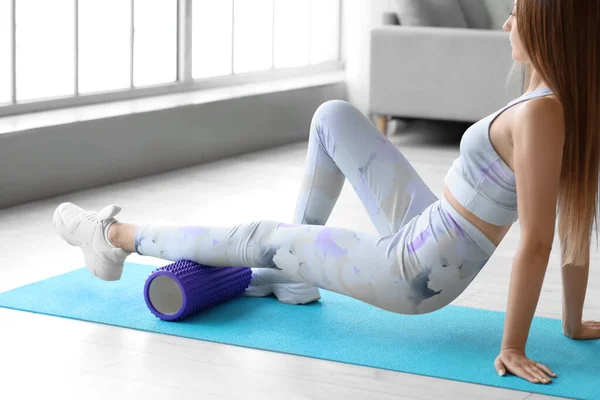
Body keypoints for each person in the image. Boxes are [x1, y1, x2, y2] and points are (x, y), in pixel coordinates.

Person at [53, 0, 600, 385]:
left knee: (260, 237)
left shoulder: (545, 113)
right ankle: (295, 274)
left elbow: (543, 238)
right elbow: (580, 226)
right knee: (333, 116)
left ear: (551, 31)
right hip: (429, 226)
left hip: (410, 271)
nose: (507, 24)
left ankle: (112, 238)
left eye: (519, 17)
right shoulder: (555, 102)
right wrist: (572, 324)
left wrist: (512, 346)